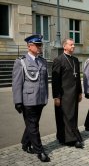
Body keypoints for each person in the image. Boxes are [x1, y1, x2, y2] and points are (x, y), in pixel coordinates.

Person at [12, 34, 50, 162]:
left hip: (39, 99)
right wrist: (18, 101)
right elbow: (17, 83)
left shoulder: (42, 61)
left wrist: (45, 97)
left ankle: (25, 143)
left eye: (41, 45)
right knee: (33, 125)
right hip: (28, 100)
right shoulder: (21, 62)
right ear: (29, 46)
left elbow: (45, 81)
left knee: (32, 124)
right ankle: (40, 151)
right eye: (37, 45)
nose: (40, 47)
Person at [52, 38, 84, 148]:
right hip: (64, 94)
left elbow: (78, 78)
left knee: (73, 116)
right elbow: (55, 80)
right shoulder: (58, 60)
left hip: (74, 93)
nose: (73, 46)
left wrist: (80, 92)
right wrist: (56, 96)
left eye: (74, 44)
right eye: (71, 45)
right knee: (66, 117)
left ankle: (68, 135)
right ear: (65, 46)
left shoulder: (75, 60)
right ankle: (69, 139)